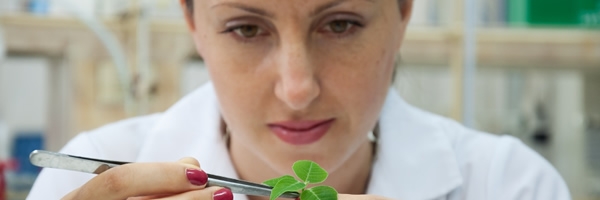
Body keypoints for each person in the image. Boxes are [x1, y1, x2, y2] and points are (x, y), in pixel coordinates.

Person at [28, 0, 571, 199]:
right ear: (193, 22)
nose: (297, 87)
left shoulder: (511, 185)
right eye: (246, 29)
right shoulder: (83, 176)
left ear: (403, 13)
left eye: (340, 24)